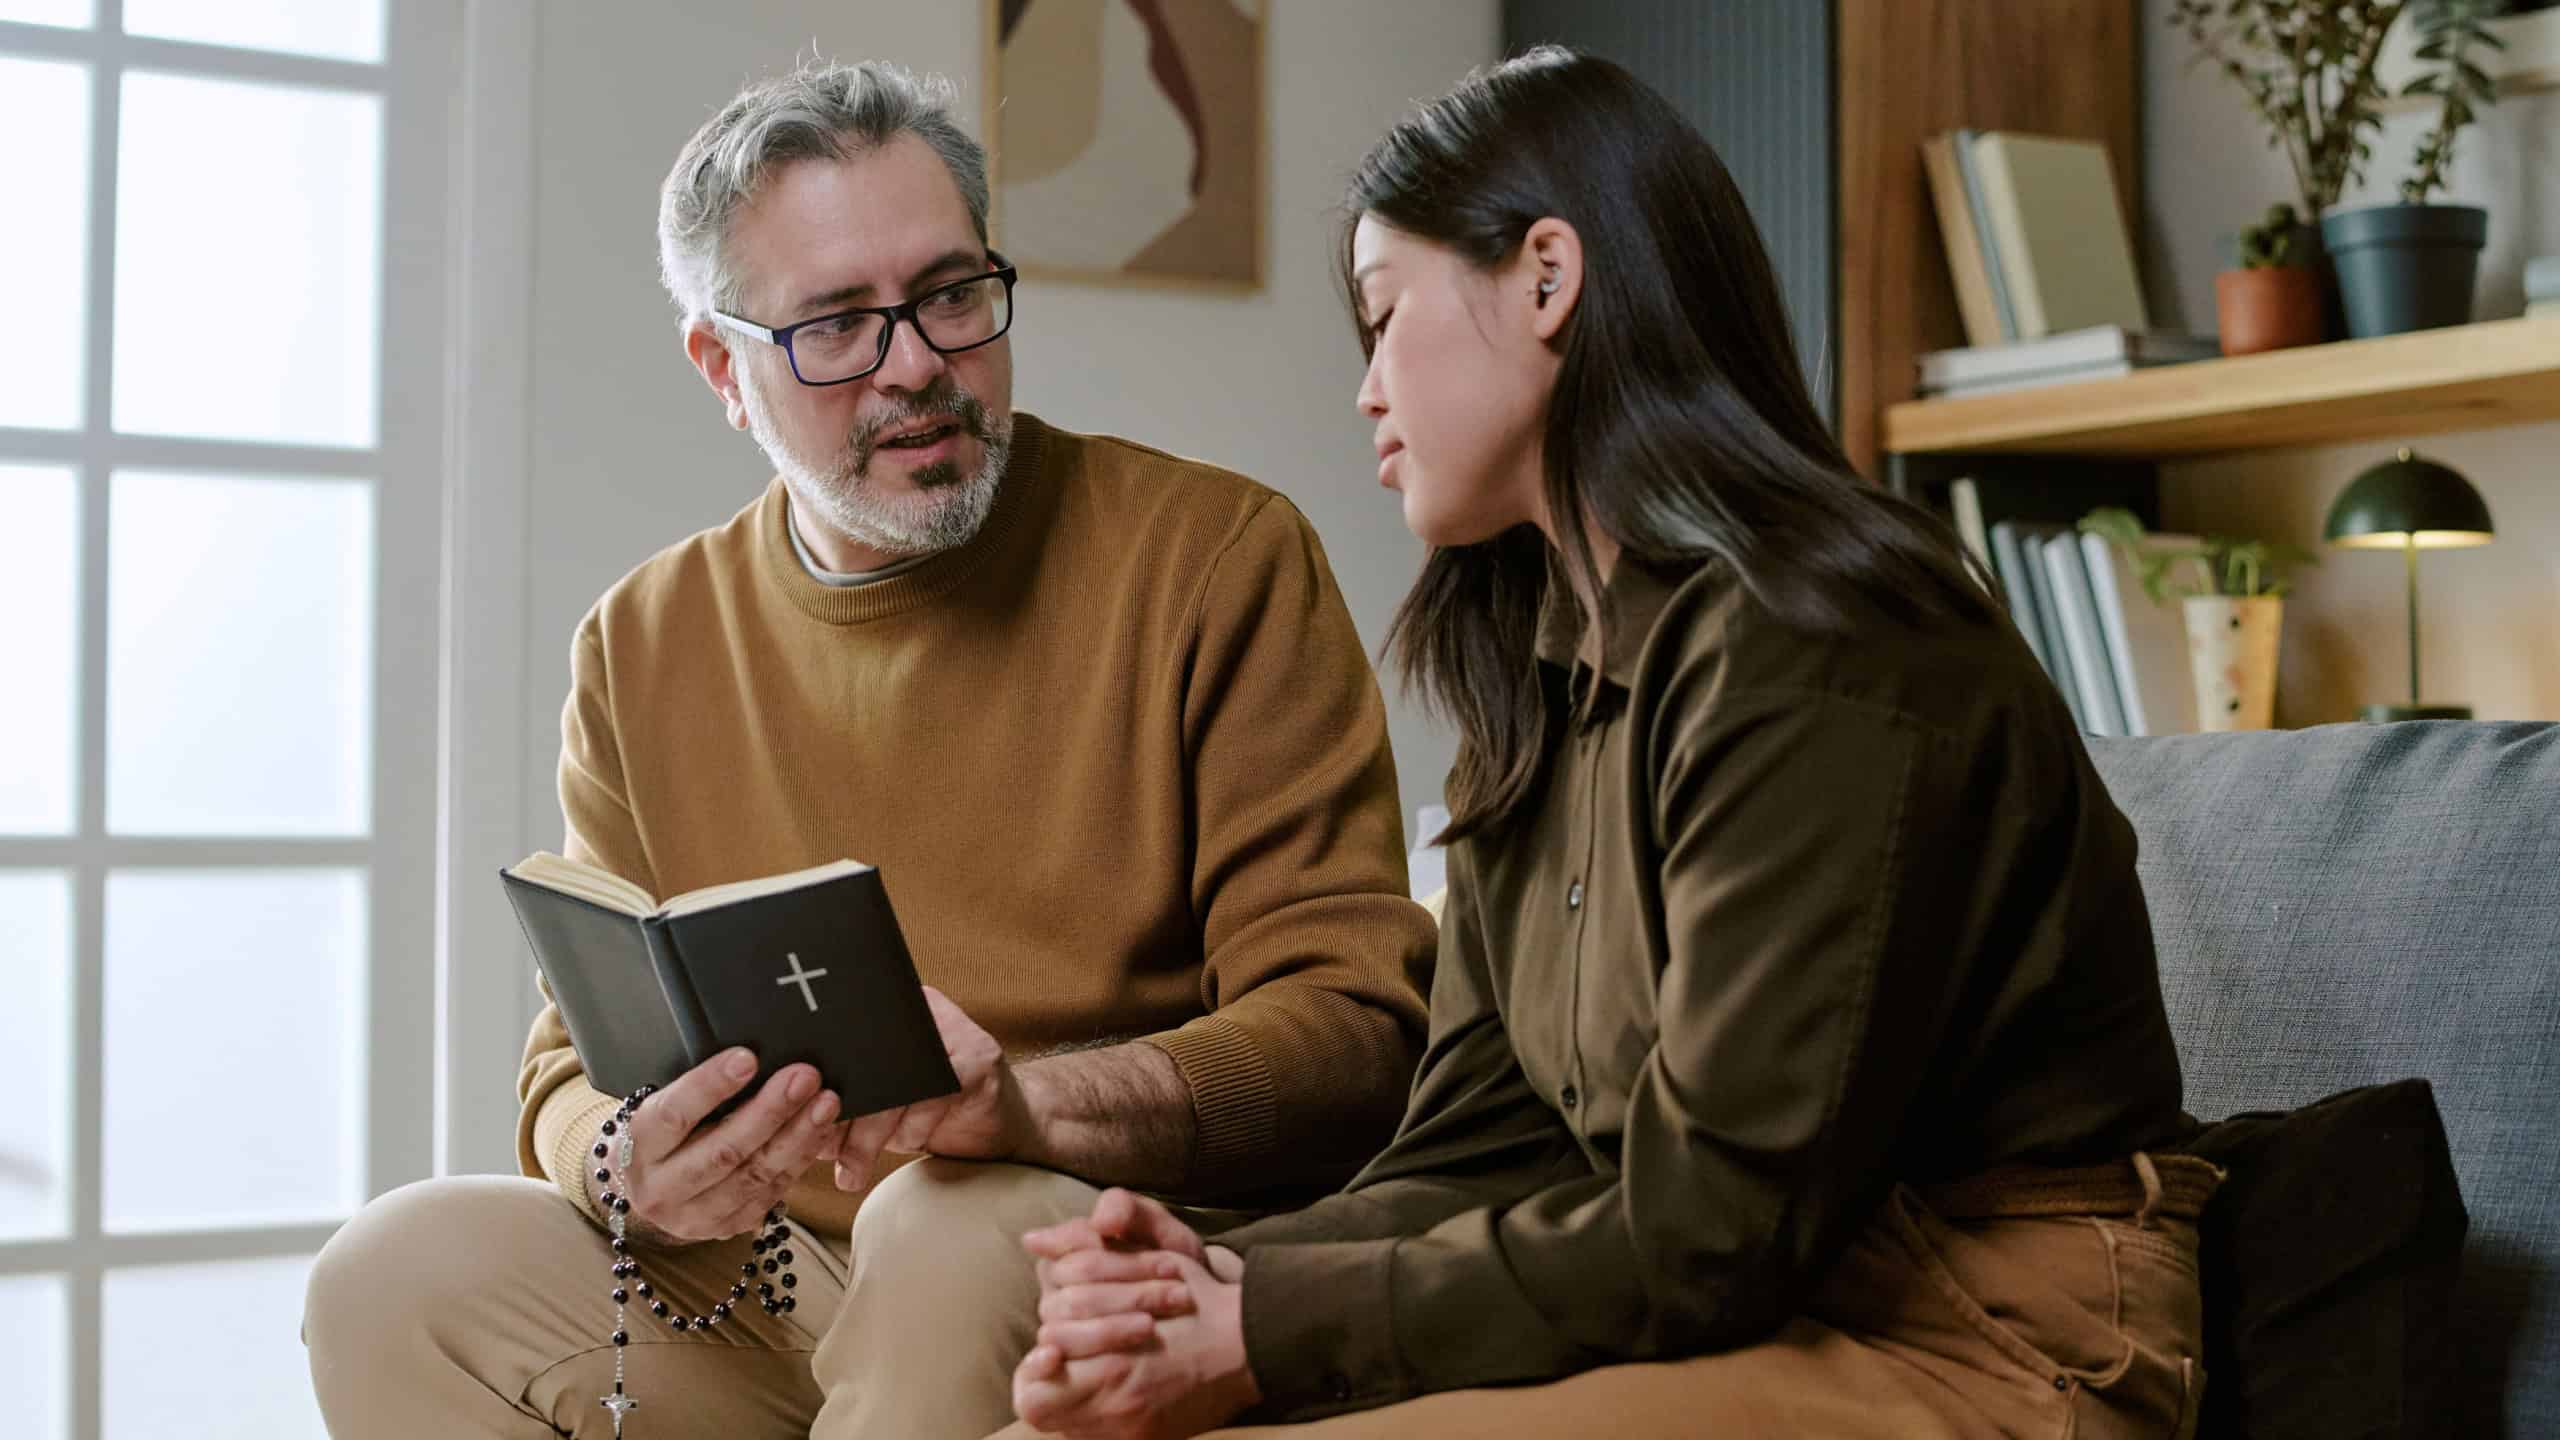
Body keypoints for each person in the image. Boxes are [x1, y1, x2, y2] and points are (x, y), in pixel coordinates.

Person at [1004, 47, 2217, 1440]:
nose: (1366, 396)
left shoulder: (1823, 643)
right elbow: (1481, 1148)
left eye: (1384, 318)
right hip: (1742, 1298)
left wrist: (1261, 1329)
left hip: (1998, 1334)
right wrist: (1210, 1282)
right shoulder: (1538, 678)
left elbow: (1718, 1226)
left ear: (1546, 277)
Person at [303, 59, 1433, 1440]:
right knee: (394, 1274)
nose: (916, 365)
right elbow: (569, 1064)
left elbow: (1355, 1033)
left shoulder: (1216, 560)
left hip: (1082, 1242)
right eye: (836, 324)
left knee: (940, 1226)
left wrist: (1027, 1108)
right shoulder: (643, 640)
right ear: (723, 368)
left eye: (952, 295)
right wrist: (622, 1165)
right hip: (770, 1281)